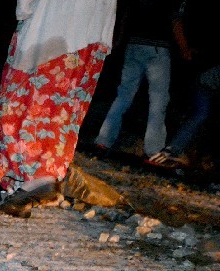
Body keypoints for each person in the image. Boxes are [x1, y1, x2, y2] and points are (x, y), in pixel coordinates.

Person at [0, 0, 117, 218]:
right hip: (94, 23)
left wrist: (25, 8)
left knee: (23, 99)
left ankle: (36, 179)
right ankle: (30, 183)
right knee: (64, 106)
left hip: (54, 20)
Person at [93, 0, 178, 159]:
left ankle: (103, 140)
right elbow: (175, 21)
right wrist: (185, 50)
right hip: (157, 48)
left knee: (124, 95)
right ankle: (153, 149)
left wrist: (119, 39)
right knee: (158, 99)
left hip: (133, 45)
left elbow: (126, 15)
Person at [146, 0, 218, 168]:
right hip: (204, 83)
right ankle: (171, 151)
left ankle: (182, 153)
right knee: (201, 114)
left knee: (202, 116)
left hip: (203, 78)